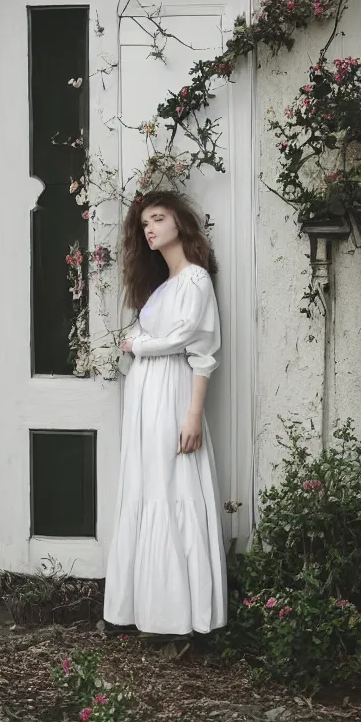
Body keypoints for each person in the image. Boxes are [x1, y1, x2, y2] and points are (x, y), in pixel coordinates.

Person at [103, 190, 228, 636]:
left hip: (172, 392)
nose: (150, 228)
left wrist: (193, 415)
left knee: (171, 486)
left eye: (158, 218)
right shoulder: (161, 287)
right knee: (147, 484)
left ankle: (180, 614)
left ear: (179, 222)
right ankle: (145, 609)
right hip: (145, 396)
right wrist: (135, 344)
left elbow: (195, 349)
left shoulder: (196, 280)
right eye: (144, 224)